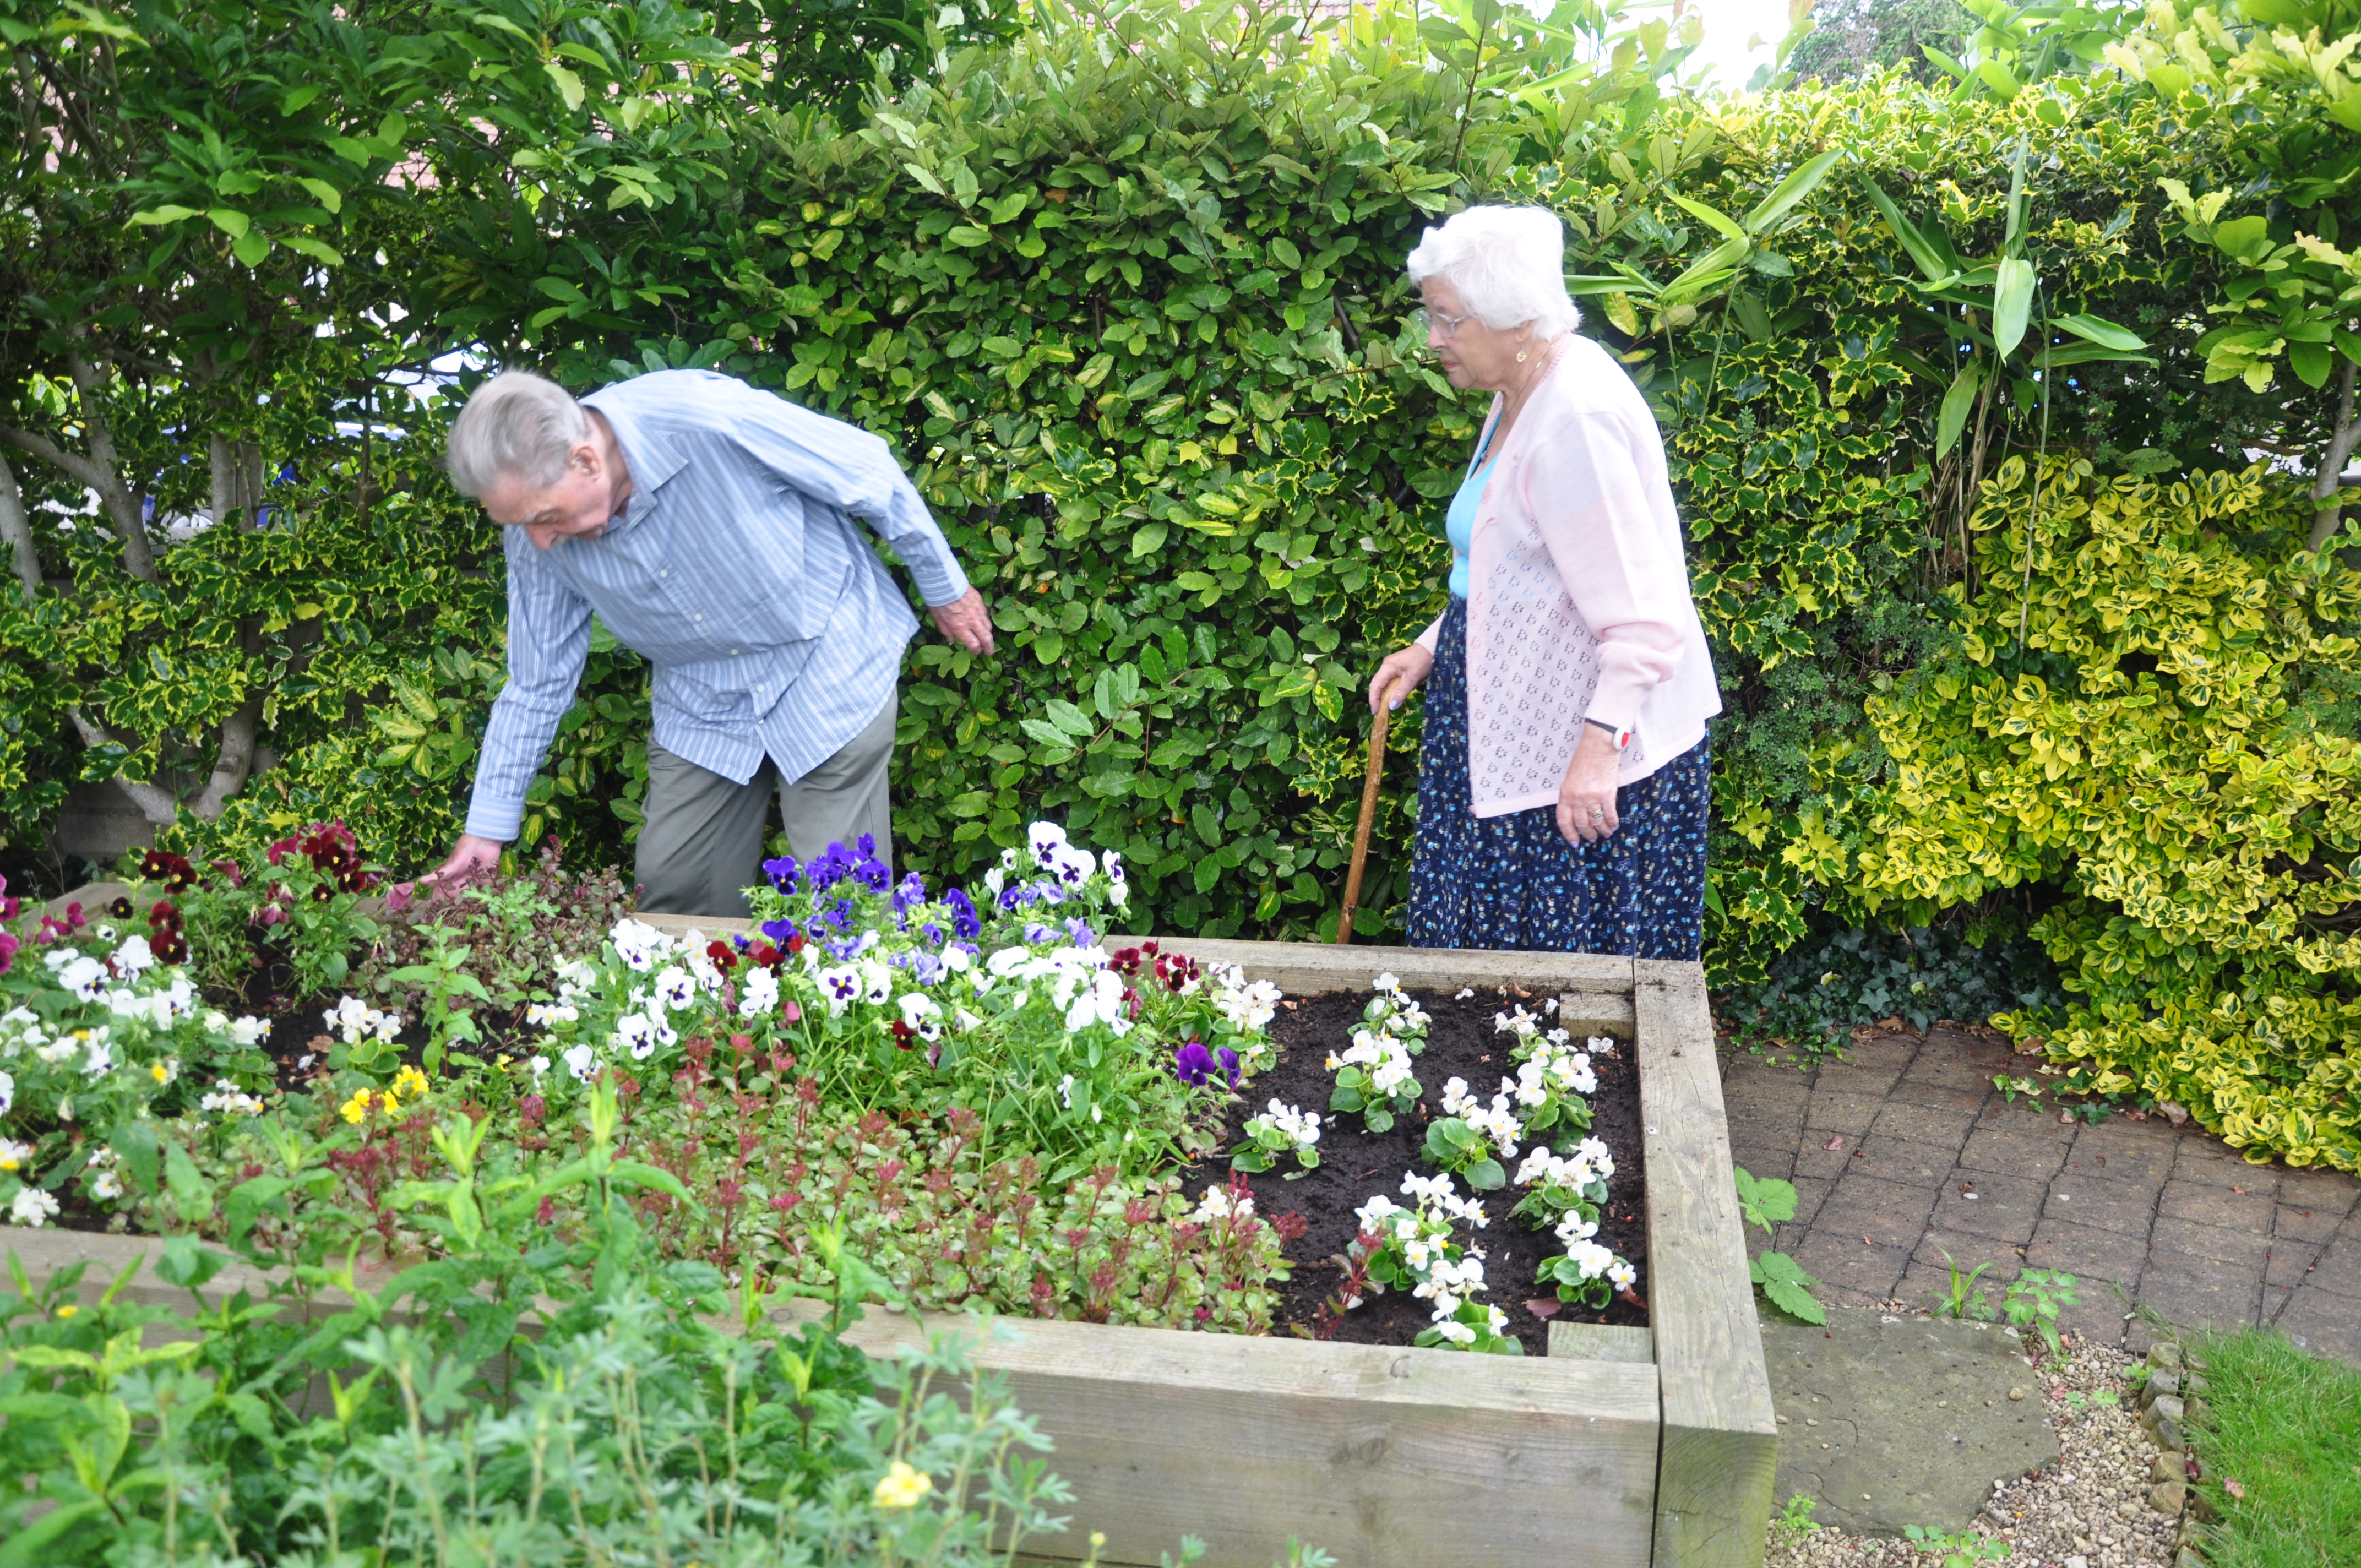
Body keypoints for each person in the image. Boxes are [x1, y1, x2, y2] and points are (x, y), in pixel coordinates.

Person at [429, 368, 994, 917]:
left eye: (543, 517)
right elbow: (538, 679)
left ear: (585, 460)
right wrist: (488, 824)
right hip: (701, 697)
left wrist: (946, 589)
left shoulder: (705, 417)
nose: (538, 540)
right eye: (518, 525)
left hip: (826, 657)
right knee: (675, 893)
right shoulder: (534, 537)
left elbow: (868, 471)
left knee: (840, 896)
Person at [1365, 206, 1722, 959]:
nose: (1432, 339)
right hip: (1508, 712)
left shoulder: (1573, 420)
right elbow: (1517, 562)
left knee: (1554, 996)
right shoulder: (1520, 388)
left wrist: (1597, 758)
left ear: (1512, 320)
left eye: (1446, 320)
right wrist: (1436, 643)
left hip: (1575, 751)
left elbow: (1645, 622)